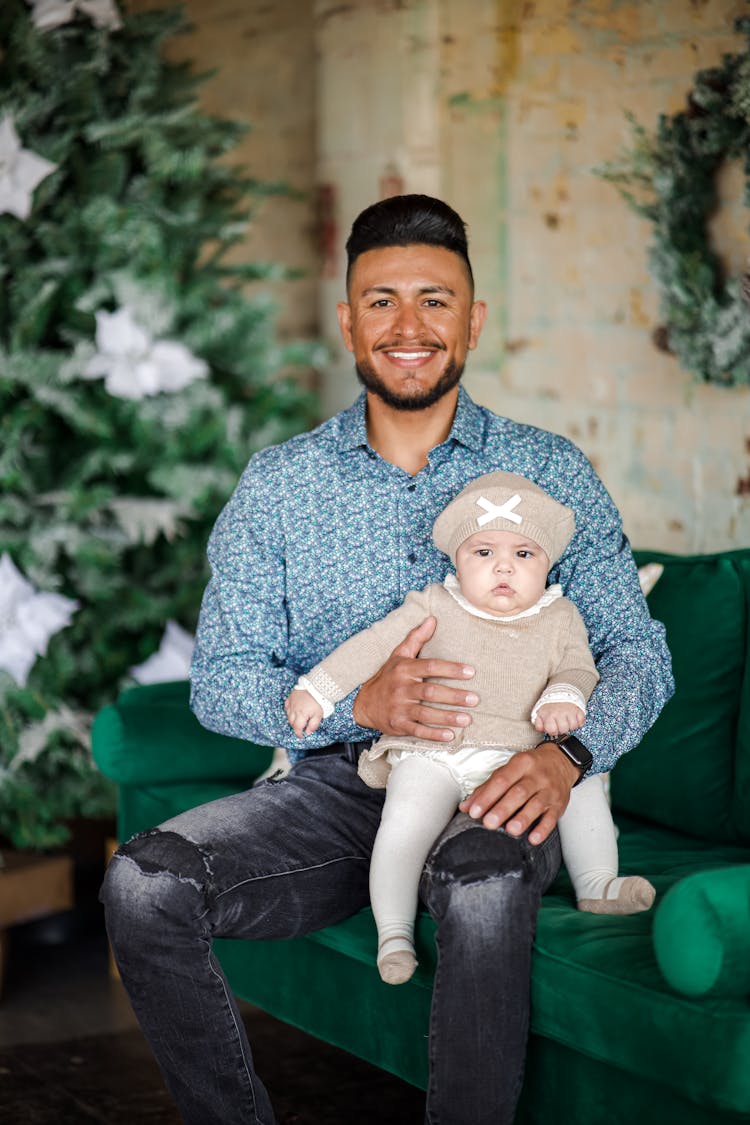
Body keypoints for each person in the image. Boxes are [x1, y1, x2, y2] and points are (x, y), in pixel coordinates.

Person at [101, 194, 674, 1125]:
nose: (409, 327)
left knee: (484, 894)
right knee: (142, 884)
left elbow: (635, 649)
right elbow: (222, 679)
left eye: (436, 301)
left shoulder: (550, 471)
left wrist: (566, 756)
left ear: (474, 320)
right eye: (382, 301)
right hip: (331, 789)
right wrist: (354, 704)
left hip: (500, 777)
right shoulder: (279, 485)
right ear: (348, 321)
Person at [285, 470, 656, 985]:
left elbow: (581, 669)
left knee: (582, 778)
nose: (504, 566)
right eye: (483, 552)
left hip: (519, 758)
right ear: (456, 559)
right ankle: (392, 932)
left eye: (524, 555)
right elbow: (373, 646)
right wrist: (318, 689)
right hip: (434, 751)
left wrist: (564, 696)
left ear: (547, 562)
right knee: (403, 823)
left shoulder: (560, 617)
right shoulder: (435, 604)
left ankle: (598, 883)